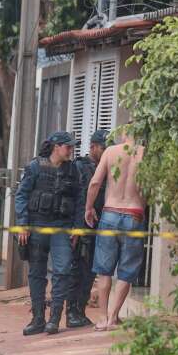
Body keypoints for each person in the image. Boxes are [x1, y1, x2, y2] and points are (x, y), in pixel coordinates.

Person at [15, 131, 85, 336]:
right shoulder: (35, 166)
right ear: (57, 147)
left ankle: (54, 319)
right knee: (36, 272)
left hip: (62, 227)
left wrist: (78, 227)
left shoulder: (74, 170)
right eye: (68, 146)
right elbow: (22, 196)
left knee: (62, 271)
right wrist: (22, 224)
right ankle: (37, 319)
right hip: (37, 225)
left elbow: (80, 202)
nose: (71, 150)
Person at [85, 128, 145, 332]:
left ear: (123, 133)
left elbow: (94, 183)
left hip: (110, 213)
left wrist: (89, 207)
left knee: (104, 270)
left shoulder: (110, 152)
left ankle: (102, 318)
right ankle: (113, 317)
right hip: (134, 215)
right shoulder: (145, 154)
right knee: (126, 271)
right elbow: (151, 190)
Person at [67, 129, 109, 328]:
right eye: (104, 148)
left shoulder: (107, 167)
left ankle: (80, 311)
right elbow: (73, 199)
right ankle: (71, 313)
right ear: (93, 147)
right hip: (80, 227)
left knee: (90, 271)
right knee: (77, 270)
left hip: (97, 226)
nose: (107, 151)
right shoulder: (78, 167)